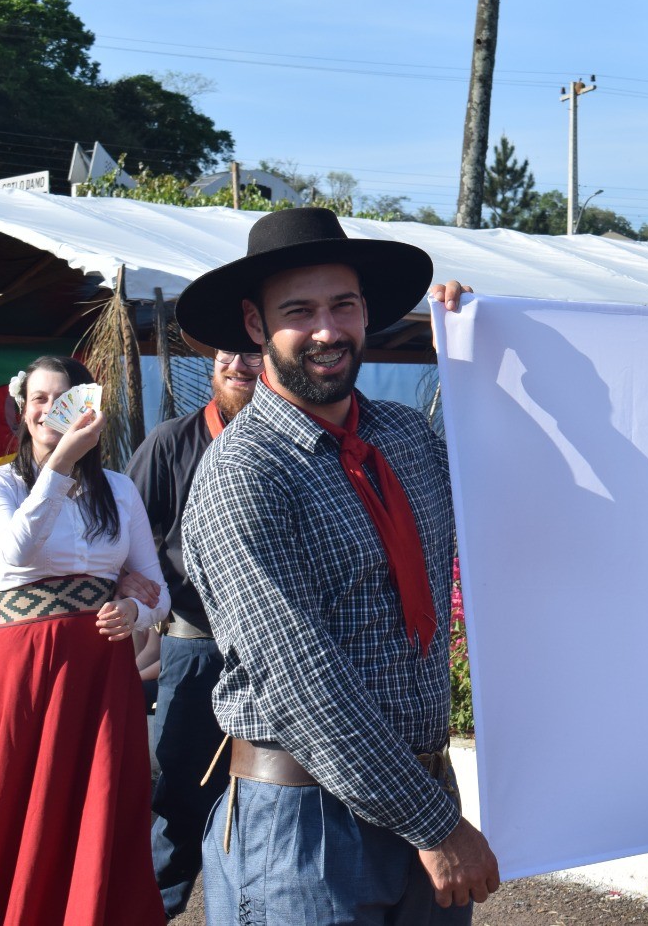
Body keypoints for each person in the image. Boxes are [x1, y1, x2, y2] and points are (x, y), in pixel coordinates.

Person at [176, 207, 498, 924]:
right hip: (303, 823)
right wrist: (437, 826)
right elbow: (300, 680)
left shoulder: (406, 436)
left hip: (421, 789)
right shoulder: (244, 472)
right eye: (300, 311)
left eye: (343, 305)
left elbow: (512, 498)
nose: (327, 330)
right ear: (256, 328)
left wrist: (486, 351)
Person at [0, 355, 172, 925]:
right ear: (22, 407)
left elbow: (159, 592)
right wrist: (59, 463)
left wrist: (132, 607)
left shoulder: (119, 490)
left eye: (64, 399)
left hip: (101, 678)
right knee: (11, 812)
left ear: (87, 408)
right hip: (24, 675)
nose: (50, 410)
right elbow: (13, 555)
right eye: (39, 399)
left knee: (99, 810)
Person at [125, 343, 262, 918]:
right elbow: (124, 532)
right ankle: (149, 911)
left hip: (277, 654)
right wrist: (138, 606)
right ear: (211, 363)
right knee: (176, 800)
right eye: (229, 354)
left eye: (253, 355)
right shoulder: (170, 442)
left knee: (269, 805)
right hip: (194, 647)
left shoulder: (302, 441)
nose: (239, 366)